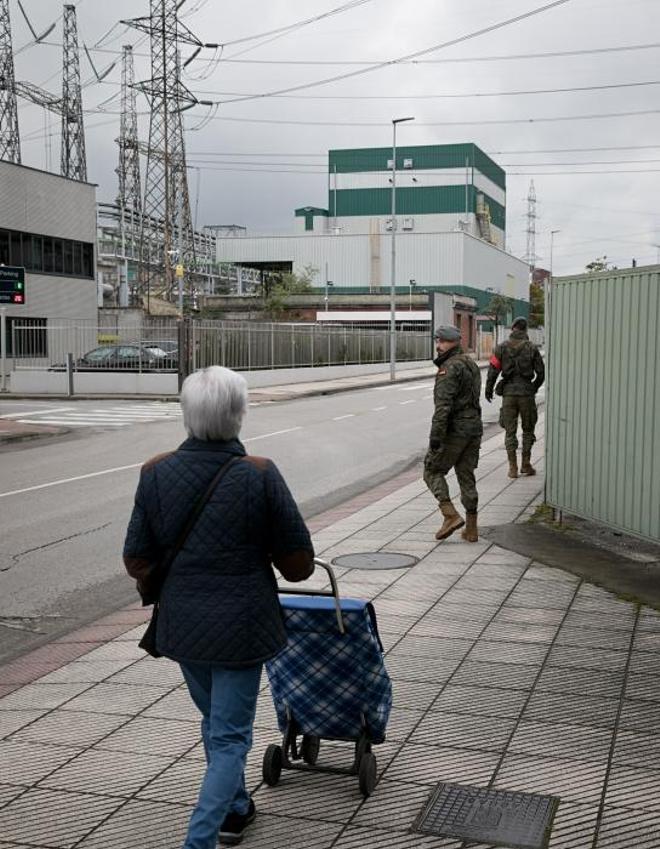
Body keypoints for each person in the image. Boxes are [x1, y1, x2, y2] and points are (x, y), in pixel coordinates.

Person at [123, 366, 314, 849]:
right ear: (238, 414)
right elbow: (298, 565)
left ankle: (236, 808)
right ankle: (202, 838)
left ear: (188, 413)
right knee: (230, 735)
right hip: (243, 627)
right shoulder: (259, 474)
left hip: (183, 627)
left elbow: (136, 558)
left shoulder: (155, 471)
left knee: (214, 721)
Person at [424, 325, 483, 543]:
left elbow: (443, 407)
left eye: (441, 342)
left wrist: (436, 438)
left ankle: (450, 515)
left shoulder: (449, 368)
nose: (438, 346)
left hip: (455, 430)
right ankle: (472, 528)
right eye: (437, 342)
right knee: (466, 476)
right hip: (474, 428)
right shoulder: (471, 364)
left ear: (452, 342)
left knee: (431, 470)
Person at [485, 316, 545, 478]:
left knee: (510, 431)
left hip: (509, 394)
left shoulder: (501, 347)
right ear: (525, 330)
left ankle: (512, 467)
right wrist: (533, 387)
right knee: (528, 429)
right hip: (526, 393)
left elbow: (493, 370)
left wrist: (488, 389)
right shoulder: (532, 348)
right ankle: (526, 464)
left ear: (512, 329)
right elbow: (541, 373)